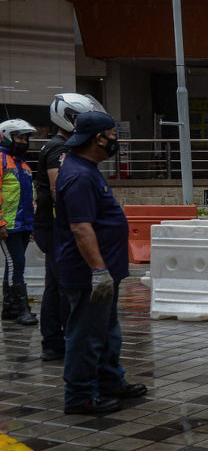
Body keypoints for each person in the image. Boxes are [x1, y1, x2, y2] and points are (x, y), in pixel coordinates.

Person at [56, 111, 146, 415]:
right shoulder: (79, 175)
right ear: (99, 139)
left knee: (106, 331)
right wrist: (98, 271)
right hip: (89, 274)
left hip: (105, 272)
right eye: (113, 134)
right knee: (86, 334)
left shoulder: (86, 168)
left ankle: (109, 381)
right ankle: (80, 395)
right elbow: (81, 228)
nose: (115, 140)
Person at [36, 94, 106, 360]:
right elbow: (58, 188)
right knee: (65, 286)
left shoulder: (55, 145)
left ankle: (53, 343)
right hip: (54, 227)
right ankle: (65, 340)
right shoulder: (58, 149)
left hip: (49, 226)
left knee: (54, 285)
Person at [0, 119, 38, 327]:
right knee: (17, 265)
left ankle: (9, 307)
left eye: (25, 138)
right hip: (9, 225)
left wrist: (31, 224)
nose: (23, 141)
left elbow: (29, 196)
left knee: (13, 265)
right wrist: (0, 223)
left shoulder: (23, 164)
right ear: (6, 136)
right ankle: (23, 309)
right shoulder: (1, 160)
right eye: (19, 137)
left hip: (23, 224)